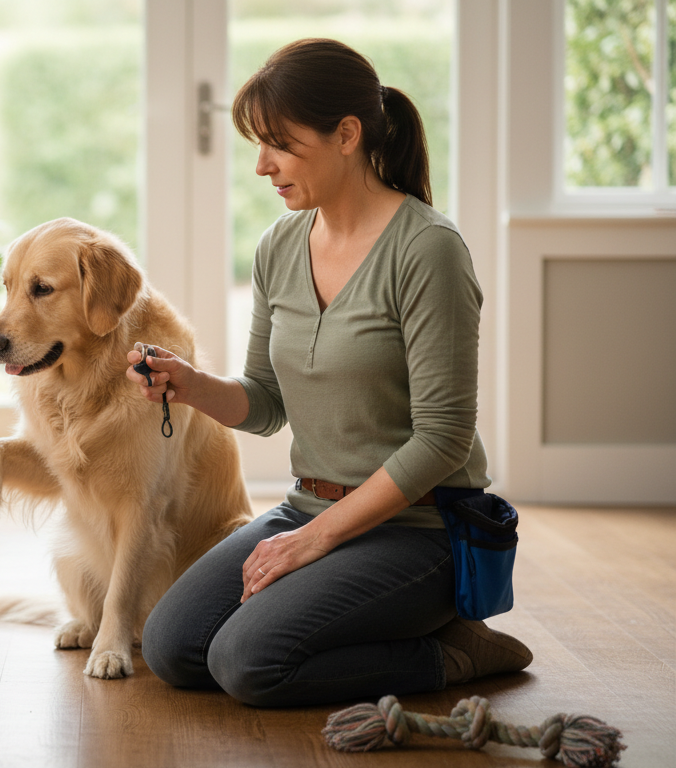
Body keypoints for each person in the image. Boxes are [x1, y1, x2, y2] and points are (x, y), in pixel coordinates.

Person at [131, 38, 531, 707]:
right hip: (309, 505)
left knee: (247, 662)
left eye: (280, 144)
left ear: (347, 134)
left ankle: (453, 652)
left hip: (422, 529)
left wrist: (309, 544)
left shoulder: (427, 249)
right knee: (172, 647)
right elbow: (263, 403)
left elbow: (444, 439)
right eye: (257, 144)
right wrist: (191, 384)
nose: (261, 166)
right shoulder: (280, 246)